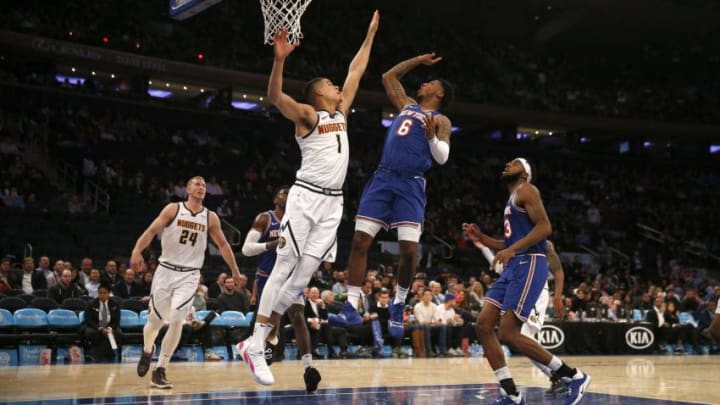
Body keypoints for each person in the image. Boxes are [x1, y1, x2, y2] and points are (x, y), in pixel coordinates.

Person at [237, 11, 379, 391]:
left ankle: (256, 339)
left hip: (333, 205)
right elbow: (273, 96)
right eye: (330, 85)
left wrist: (369, 37)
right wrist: (279, 60)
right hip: (306, 198)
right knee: (284, 267)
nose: (337, 86)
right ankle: (255, 343)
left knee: (301, 278)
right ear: (318, 93)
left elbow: (355, 72)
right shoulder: (308, 116)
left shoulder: (340, 111)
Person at [344, 51, 455, 341]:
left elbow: (442, 158)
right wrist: (418, 60)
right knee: (359, 241)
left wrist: (431, 137)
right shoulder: (406, 105)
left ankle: (398, 303)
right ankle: (351, 305)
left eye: (429, 82)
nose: (423, 84)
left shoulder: (441, 119)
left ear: (439, 92)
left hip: (410, 184)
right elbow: (388, 77)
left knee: (408, 252)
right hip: (383, 178)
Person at [463, 158, 590, 405]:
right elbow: (507, 245)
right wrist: (482, 238)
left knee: (509, 332)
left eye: (515, 163)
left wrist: (513, 251)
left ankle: (573, 377)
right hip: (514, 266)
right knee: (483, 325)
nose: (508, 164)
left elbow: (545, 228)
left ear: (525, 174)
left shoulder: (528, 190)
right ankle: (511, 393)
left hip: (530, 263)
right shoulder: (511, 201)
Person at [131, 175, 242, 389]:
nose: (201, 187)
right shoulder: (173, 209)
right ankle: (147, 350)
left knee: (177, 319)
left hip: (190, 275)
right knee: (154, 322)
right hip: (165, 271)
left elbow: (224, 245)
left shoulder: (210, 217)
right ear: (188, 190)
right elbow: (152, 231)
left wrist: (235, 270)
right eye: (197, 184)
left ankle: (160, 369)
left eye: (203, 185)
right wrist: (137, 250)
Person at [240, 186, 302, 363]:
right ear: (275, 199)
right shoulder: (265, 218)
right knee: (265, 317)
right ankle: (256, 350)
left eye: (291, 194)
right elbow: (246, 249)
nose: (287, 196)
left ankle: (280, 356)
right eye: (284, 193)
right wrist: (269, 245)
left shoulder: (298, 222)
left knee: (293, 316)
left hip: (290, 277)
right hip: (267, 276)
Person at [83, 284, 122, 362]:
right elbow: (88, 319)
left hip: (110, 327)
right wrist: (99, 328)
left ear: (109, 293)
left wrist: (109, 328)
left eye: (105, 293)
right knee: (91, 333)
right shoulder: (91, 304)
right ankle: (96, 354)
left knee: (118, 333)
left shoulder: (115, 304)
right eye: (100, 293)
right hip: (95, 326)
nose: (102, 295)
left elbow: (117, 320)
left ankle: (110, 354)